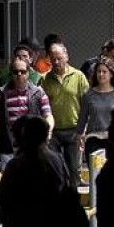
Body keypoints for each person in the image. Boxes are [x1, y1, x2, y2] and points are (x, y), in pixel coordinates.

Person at [0, 56, 54, 169]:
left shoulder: (38, 93)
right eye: (15, 72)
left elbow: (48, 115)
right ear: (11, 73)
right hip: (9, 146)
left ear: (28, 73)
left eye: (23, 72)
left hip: (32, 145)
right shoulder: (1, 94)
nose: (19, 75)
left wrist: (47, 132)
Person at [41, 42, 90, 188]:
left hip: (74, 129)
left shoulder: (79, 76)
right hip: (53, 131)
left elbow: (87, 104)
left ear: (66, 57)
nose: (56, 62)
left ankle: (72, 200)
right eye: (53, 59)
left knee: (74, 169)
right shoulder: (44, 79)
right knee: (53, 168)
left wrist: (84, 128)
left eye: (59, 58)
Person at [77, 57, 114, 158]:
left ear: (111, 74)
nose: (101, 74)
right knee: (96, 173)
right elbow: (83, 118)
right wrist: (79, 135)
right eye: (99, 71)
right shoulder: (88, 95)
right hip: (93, 140)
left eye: (104, 72)